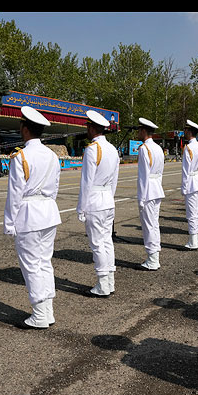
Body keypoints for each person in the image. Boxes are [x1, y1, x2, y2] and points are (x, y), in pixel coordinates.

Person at [4, 106, 61, 329]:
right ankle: (47, 311)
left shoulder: (21, 156)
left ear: (25, 129)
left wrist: (9, 222)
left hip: (29, 214)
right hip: (48, 211)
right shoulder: (52, 155)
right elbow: (55, 187)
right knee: (44, 262)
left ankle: (39, 313)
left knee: (31, 265)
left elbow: (15, 193)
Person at [77, 110, 120, 297]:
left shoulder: (93, 149)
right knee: (107, 241)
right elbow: (114, 180)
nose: (86, 129)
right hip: (107, 200)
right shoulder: (112, 149)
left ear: (92, 128)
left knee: (97, 244)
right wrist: (109, 197)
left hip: (94, 201)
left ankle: (103, 284)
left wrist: (81, 207)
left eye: (88, 126)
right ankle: (109, 281)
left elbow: (86, 182)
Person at [135, 117, 165, 270]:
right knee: (154, 224)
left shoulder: (144, 149)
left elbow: (143, 175)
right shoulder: (158, 148)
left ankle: (152, 259)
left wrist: (141, 197)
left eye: (139, 130)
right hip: (157, 189)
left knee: (148, 225)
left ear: (144, 131)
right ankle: (154, 256)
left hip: (148, 191)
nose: (138, 133)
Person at [181, 120, 198, 249]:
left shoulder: (188, 148)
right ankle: (197, 240)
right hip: (197, 182)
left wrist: (184, 187)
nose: (184, 132)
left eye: (186, 130)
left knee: (191, 214)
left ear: (189, 132)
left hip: (190, 182)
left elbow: (185, 170)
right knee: (196, 213)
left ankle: (193, 241)